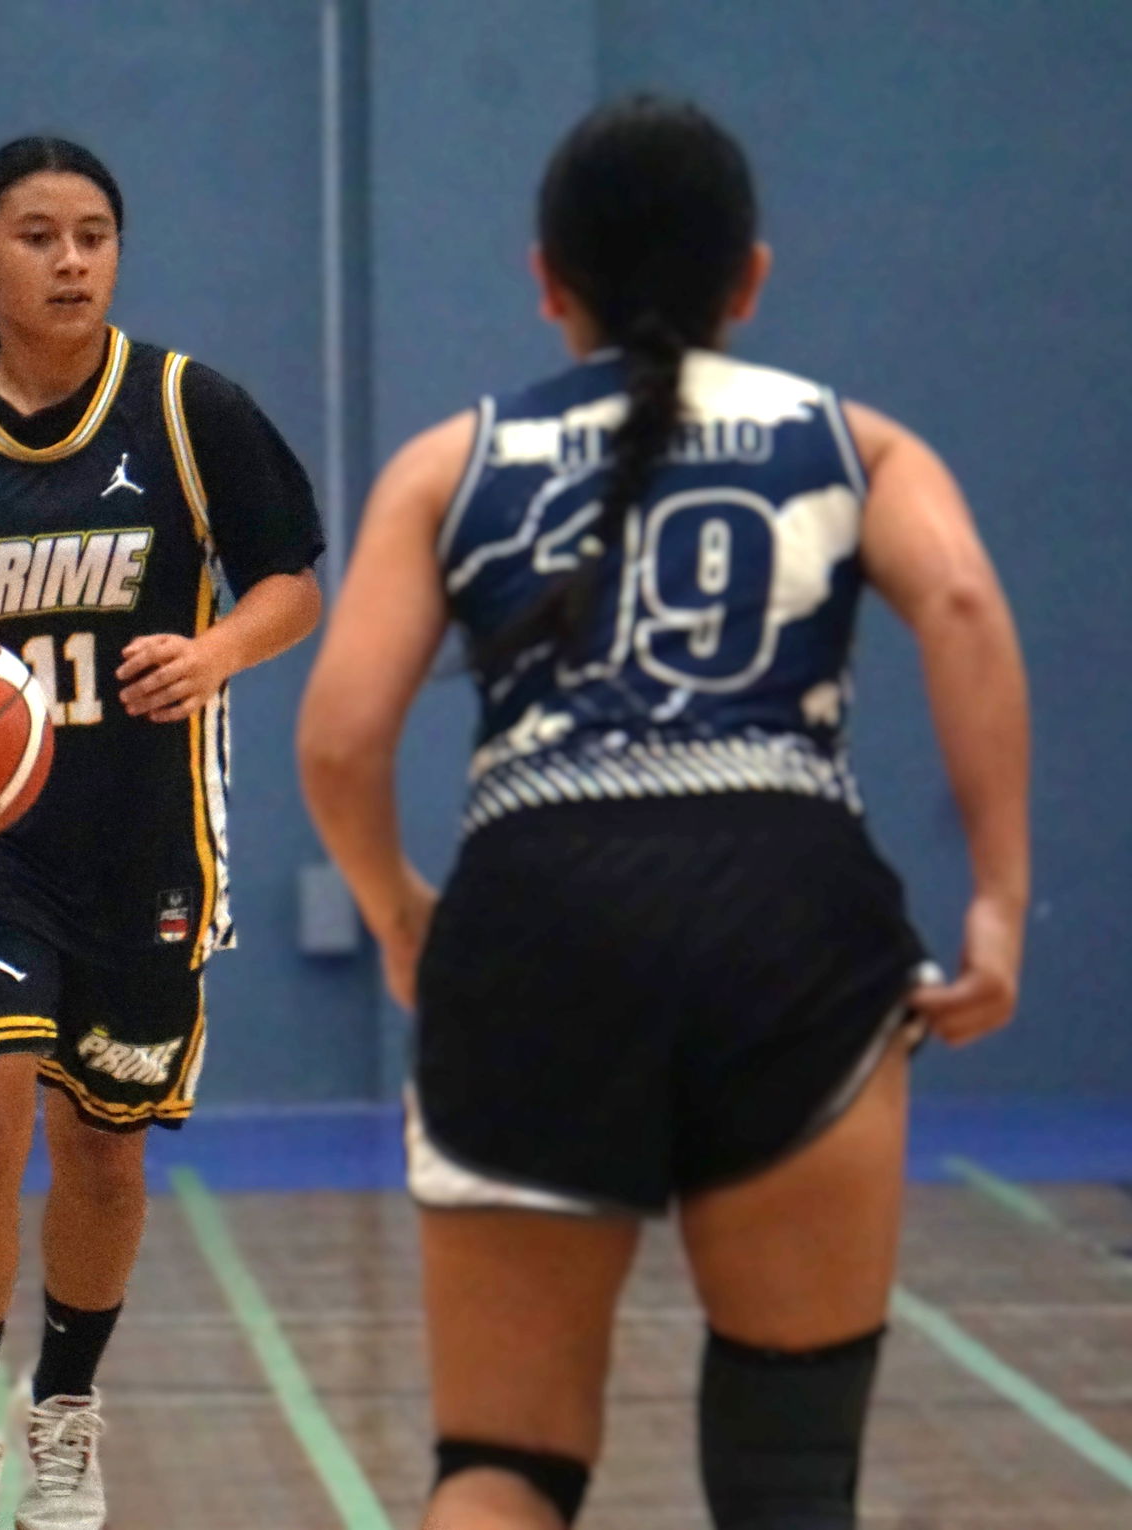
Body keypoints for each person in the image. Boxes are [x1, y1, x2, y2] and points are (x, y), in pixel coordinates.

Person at [298, 97, 1028, 1530]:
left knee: (501, 1464)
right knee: (787, 1478)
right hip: (790, 917)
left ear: (546, 281)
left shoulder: (451, 463)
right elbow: (959, 599)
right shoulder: (852, 440)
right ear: (748, 280)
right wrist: (996, 898)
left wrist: (397, 911)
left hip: (532, 916)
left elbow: (338, 738)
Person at [0, 136, 323, 1530]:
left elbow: (294, 581)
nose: (71, 259)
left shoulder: (186, 407)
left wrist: (220, 650)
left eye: (94, 233)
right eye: (37, 236)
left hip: (147, 828)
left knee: (104, 1141)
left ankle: (68, 1407)